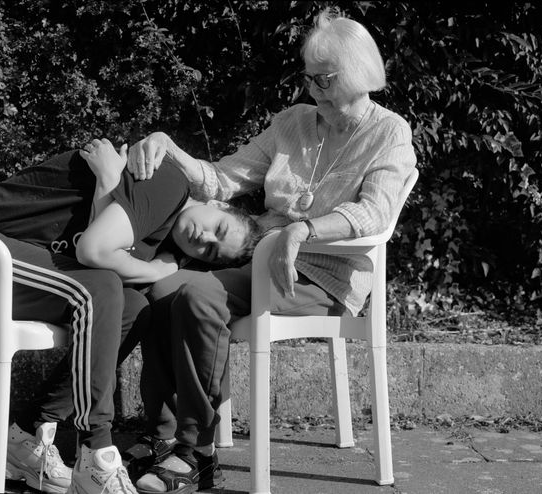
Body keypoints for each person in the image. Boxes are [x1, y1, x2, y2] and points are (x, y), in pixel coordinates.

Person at [125, 9, 417, 494]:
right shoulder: (292, 123)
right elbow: (222, 178)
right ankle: (162, 434)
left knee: (198, 295)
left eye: (325, 79)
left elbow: (374, 213)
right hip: (260, 263)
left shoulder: (388, 133)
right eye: (310, 77)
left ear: (357, 72)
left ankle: (196, 452)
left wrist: (303, 230)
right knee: (161, 290)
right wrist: (166, 146)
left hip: (326, 276)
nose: (314, 89)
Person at [0, 139, 261, 494]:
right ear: (217, 203)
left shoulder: (162, 243)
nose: (204, 238)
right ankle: (97, 456)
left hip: (14, 269)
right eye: (219, 228)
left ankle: (29, 434)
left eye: (210, 250)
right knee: (101, 289)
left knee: (132, 308)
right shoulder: (167, 181)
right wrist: (154, 270)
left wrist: (107, 187)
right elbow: (93, 251)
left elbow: (95, 259)